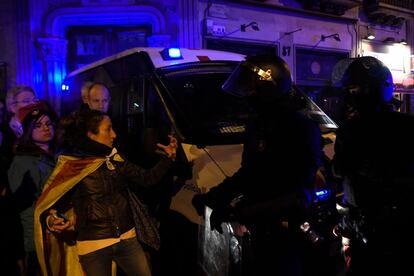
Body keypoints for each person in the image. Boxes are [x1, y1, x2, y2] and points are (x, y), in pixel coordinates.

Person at [192, 54, 323, 275]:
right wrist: (214, 198)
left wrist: (241, 212)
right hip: (261, 229)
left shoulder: (300, 127)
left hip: (286, 232)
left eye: (250, 88)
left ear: (268, 88)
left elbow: (297, 193)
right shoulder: (259, 123)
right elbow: (251, 172)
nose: (246, 96)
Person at [34, 107, 177, 276]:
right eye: (108, 129)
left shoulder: (115, 158)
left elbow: (147, 179)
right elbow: (49, 205)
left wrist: (168, 159)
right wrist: (52, 221)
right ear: (90, 134)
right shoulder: (71, 165)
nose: (114, 135)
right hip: (94, 246)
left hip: (127, 238)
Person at [331, 56, 414, 275]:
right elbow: (346, 180)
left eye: (355, 89)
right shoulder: (350, 130)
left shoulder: (403, 129)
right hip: (364, 231)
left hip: (393, 232)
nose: (350, 96)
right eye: (349, 90)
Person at [8, 100, 58, 276]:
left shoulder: (54, 156)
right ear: (29, 130)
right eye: (38, 125)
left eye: (48, 124)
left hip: (56, 232)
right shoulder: (23, 161)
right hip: (39, 238)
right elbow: (25, 207)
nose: (46, 128)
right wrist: (35, 243)